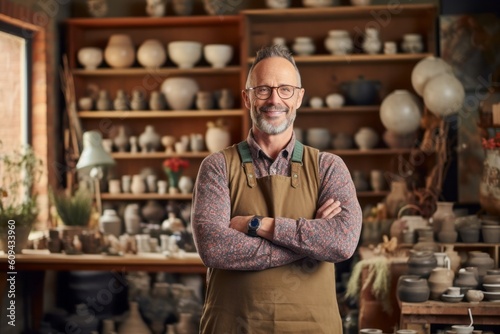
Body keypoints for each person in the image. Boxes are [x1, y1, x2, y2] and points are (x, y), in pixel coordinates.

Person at [191, 44, 362, 333]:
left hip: (310, 327)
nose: (274, 100)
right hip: (234, 326)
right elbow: (213, 248)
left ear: (298, 97)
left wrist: (257, 225)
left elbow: (342, 242)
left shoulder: (329, 167)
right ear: (247, 98)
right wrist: (311, 245)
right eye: (263, 90)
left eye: (285, 89)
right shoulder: (217, 167)